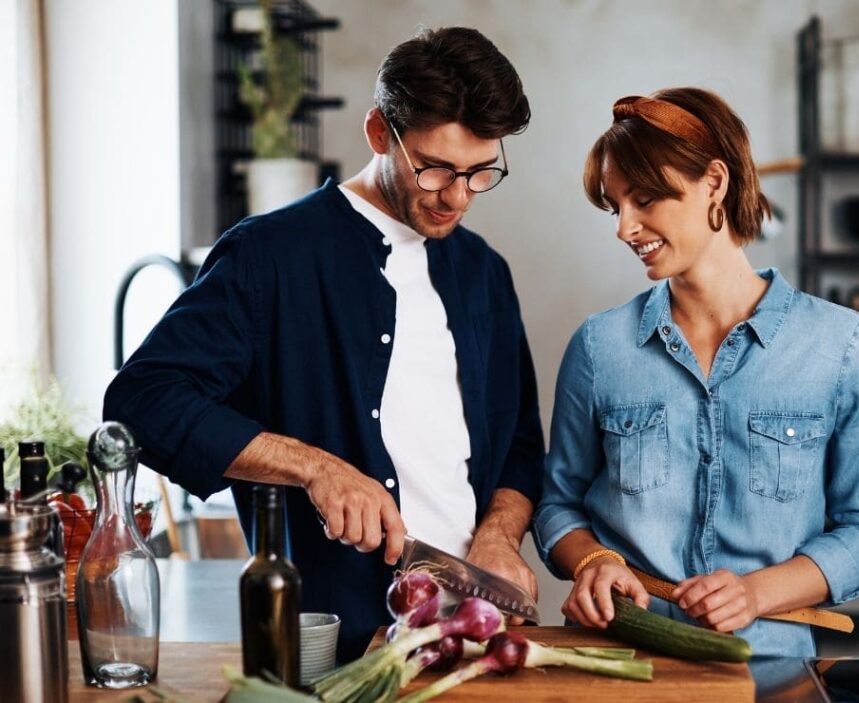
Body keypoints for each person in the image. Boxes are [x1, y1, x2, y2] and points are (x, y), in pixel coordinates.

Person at [104, 27, 544, 660]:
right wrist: (316, 468)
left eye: (480, 173)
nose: (457, 196)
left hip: (475, 637)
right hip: (334, 648)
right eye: (436, 168)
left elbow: (520, 447)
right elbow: (142, 401)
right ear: (378, 133)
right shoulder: (269, 256)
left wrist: (500, 536)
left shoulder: (484, 273)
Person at [533, 88, 859, 657]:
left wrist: (755, 593)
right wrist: (595, 562)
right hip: (620, 661)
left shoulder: (841, 344)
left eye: (646, 199)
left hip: (769, 673)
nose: (625, 228)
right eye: (615, 205)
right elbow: (557, 505)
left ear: (715, 183)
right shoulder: (600, 348)